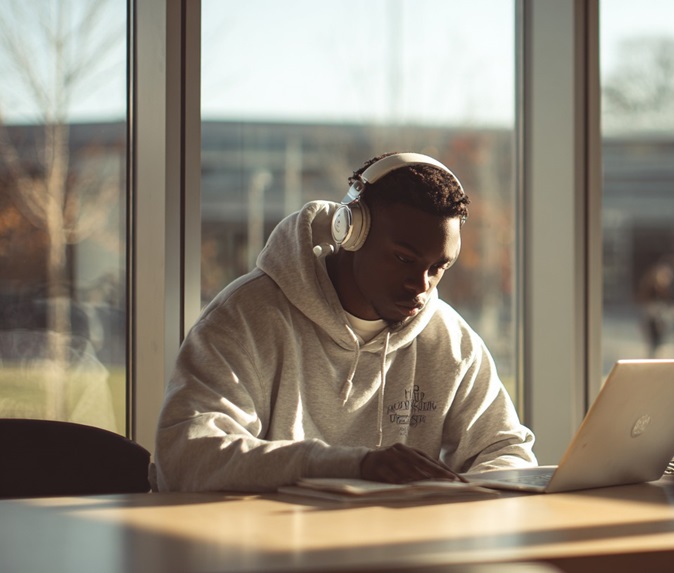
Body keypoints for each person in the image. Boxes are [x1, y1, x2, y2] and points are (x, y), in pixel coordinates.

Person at [154, 151, 537, 492]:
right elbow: (187, 455)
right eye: (404, 259)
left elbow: (507, 451)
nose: (421, 286)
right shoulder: (247, 315)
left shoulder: (450, 341)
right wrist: (351, 465)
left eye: (438, 268)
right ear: (350, 231)